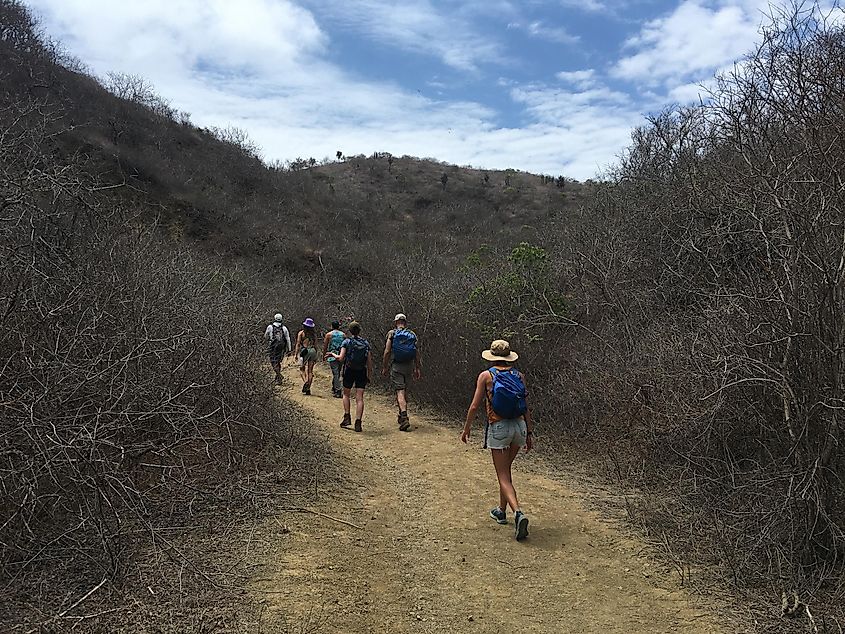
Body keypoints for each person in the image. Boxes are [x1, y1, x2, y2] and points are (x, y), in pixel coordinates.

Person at [461, 339, 534, 541]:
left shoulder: (486, 376)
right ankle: (501, 511)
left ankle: (518, 512)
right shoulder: (519, 375)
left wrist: (467, 428)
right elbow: (526, 406)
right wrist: (529, 433)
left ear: (492, 357)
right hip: (519, 427)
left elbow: (475, 406)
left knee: (502, 476)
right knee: (506, 472)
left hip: (499, 427)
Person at [327, 321, 372, 433]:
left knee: (346, 394)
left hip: (349, 370)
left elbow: (341, 358)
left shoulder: (347, 342)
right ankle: (358, 422)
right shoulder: (365, 343)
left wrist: (332, 354)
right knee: (359, 398)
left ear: (350, 331)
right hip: (361, 371)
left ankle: (347, 417)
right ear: (359, 330)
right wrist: (369, 375)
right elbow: (369, 362)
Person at [382, 313, 421, 432]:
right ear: (405, 322)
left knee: (400, 391)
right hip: (409, 365)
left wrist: (385, 366)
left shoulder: (392, 333)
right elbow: (416, 353)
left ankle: (404, 416)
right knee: (405, 392)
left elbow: (387, 351)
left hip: (397, 366)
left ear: (395, 322)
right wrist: (417, 367)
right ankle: (401, 414)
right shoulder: (412, 334)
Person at [294, 318, 319, 395]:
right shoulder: (313, 334)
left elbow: (298, 344)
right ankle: (308, 387)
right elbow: (316, 345)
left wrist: (296, 354)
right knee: (310, 371)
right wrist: (316, 354)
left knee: (302, 369)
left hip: (304, 351)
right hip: (312, 351)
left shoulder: (301, 333)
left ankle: (306, 382)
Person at [264, 313, 291, 385]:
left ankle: (279, 375)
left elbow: (265, 336)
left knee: (273, 361)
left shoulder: (270, 327)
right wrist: (289, 349)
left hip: (273, 347)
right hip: (281, 348)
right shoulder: (284, 328)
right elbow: (288, 339)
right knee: (278, 362)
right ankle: (278, 377)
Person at [322, 320, 345, 398]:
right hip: (341, 354)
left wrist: (324, 355)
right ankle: (334, 387)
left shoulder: (329, 335)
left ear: (332, 326)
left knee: (335, 373)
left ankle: (338, 390)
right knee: (337, 371)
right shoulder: (343, 335)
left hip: (332, 355)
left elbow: (325, 346)